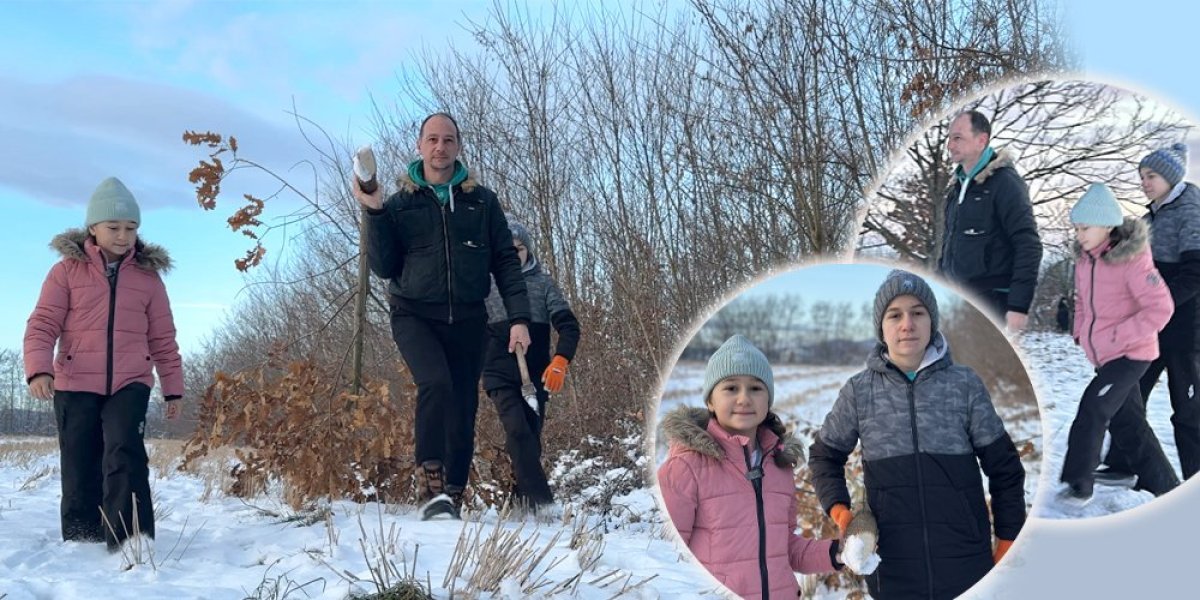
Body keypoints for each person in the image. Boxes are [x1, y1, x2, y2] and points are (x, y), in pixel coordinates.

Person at [353, 112, 531, 520]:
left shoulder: (481, 202)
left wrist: (518, 317)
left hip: (469, 318)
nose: (440, 147)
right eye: (432, 139)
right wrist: (375, 212)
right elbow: (383, 266)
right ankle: (429, 482)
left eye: (448, 140)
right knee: (435, 383)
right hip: (413, 313)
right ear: (419, 146)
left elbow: (505, 261)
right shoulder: (400, 204)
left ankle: (453, 488)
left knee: (464, 402)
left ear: (458, 146)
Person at [808, 270, 1026, 600]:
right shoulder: (859, 392)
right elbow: (825, 456)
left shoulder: (963, 385)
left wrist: (1008, 540)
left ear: (931, 321)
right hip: (892, 569)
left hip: (968, 563)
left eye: (917, 312)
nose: (906, 324)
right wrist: (842, 513)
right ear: (881, 327)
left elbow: (1005, 468)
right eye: (894, 315)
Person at [23, 177, 183, 551]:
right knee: (80, 458)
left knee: (124, 451)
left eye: (131, 228)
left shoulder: (148, 278)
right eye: (114, 227)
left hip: (130, 381)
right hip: (74, 380)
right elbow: (42, 323)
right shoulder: (65, 272)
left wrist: (173, 388)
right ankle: (82, 537)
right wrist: (39, 369)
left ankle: (130, 538)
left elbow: (163, 337)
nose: (123, 235)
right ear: (93, 228)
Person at [658, 335, 841, 600]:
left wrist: (836, 553)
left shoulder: (779, 467)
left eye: (756, 388)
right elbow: (668, 559)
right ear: (710, 401)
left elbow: (784, 548)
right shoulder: (686, 468)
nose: (744, 398)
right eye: (731, 388)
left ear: (768, 401)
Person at [1059, 183, 1179, 505]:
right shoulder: (1086, 261)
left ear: (1107, 226)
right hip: (1105, 356)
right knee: (1130, 422)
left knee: (1094, 407)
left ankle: (1078, 483)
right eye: (1077, 227)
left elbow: (1161, 308)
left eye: (1085, 227)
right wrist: (1081, 333)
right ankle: (1165, 487)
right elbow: (1082, 303)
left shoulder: (1133, 260)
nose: (1080, 234)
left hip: (1132, 354)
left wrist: (1117, 337)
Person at [1100, 143, 1200, 483]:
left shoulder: (1191, 210)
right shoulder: (1150, 217)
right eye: (1142, 176)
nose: (1144, 182)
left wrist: (1159, 304)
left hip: (1188, 329)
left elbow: (1196, 272)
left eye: (1151, 176)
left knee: (1188, 411)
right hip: (1151, 327)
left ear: (1171, 178)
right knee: (1126, 394)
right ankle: (1123, 464)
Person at [481, 220, 580, 512]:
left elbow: (569, 326)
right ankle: (544, 504)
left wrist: (561, 360)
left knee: (531, 441)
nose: (513, 255)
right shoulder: (485, 285)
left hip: (536, 374)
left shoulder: (542, 284)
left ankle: (521, 503)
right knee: (518, 431)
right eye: (506, 250)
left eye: (519, 249)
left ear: (528, 250)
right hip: (498, 370)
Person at [938, 110, 1043, 332]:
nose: (950, 145)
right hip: (957, 302)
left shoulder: (1005, 183)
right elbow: (948, 249)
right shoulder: (956, 189)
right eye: (949, 138)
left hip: (991, 303)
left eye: (957, 138)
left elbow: (1028, 244)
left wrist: (1018, 306)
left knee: (984, 365)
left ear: (981, 140)